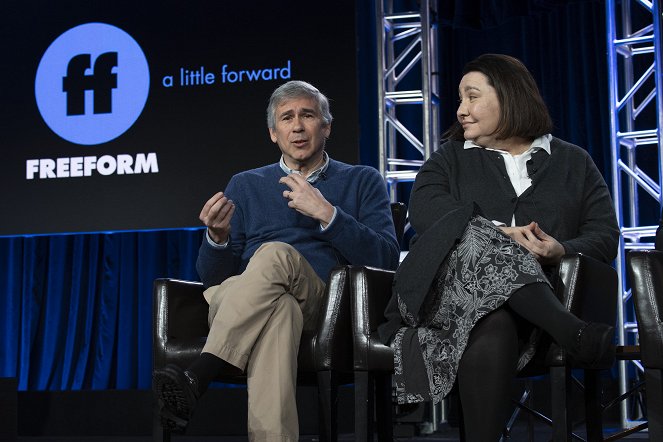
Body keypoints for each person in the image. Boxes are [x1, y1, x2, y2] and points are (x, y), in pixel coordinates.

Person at [377, 54, 620, 441]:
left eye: (471, 97)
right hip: (448, 302)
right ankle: (574, 333)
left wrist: (560, 250)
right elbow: (425, 214)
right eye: (459, 100)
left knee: (495, 321)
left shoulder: (574, 162)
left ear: (509, 97)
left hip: (532, 312)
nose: (461, 111)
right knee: (473, 231)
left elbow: (605, 234)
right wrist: (500, 233)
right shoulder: (448, 160)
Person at [153, 80, 400, 441]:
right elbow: (211, 280)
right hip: (245, 301)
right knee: (281, 311)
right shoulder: (245, 184)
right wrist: (217, 239)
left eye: (308, 115)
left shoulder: (362, 180)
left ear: (326, 126)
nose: (297, 126)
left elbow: (386, 258)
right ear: (273, 132)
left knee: (276, 254)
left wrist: (329, 214)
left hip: (323, 304)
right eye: (286, 118)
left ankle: (200, 373)